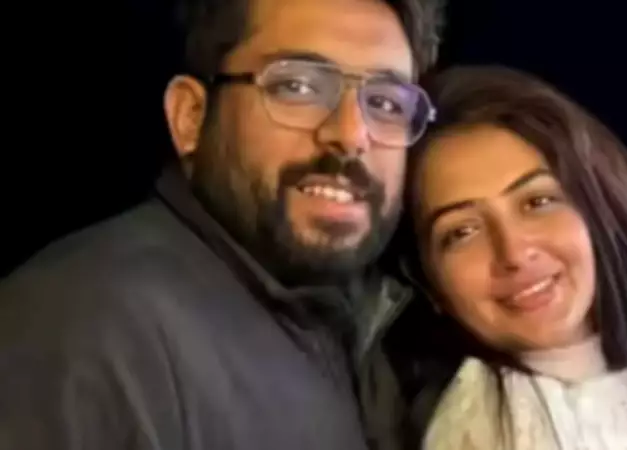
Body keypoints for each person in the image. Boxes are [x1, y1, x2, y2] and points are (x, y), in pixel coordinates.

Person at [0, 0, 444, 448]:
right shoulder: (83, 329)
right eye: (298, 86)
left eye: (386, 102)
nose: (351, 135)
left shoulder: (365, 336)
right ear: (190, 116)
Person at [382, 65, 627, 449]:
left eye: (537, 202)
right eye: (462, 232)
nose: (515, 252)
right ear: (426, 278)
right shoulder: (482, 428)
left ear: (598, 208)